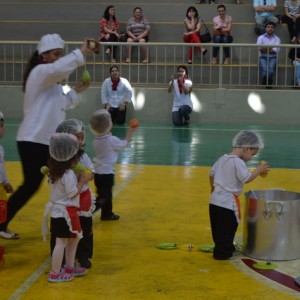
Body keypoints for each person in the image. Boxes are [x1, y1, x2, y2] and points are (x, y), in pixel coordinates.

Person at [0, 33, 94, 240]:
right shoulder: (40, 72)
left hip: (44, 142)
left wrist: (77, 90)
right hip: (33, 141)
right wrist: (81, 52)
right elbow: (57, 69)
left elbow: (62, 102)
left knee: (51, 181)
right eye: (55, 54)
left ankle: (70, 218)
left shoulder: (51, 82)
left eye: (60, 54)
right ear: (44, 55)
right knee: (34, 185)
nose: (58, 57)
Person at [209, 130, 269, 260]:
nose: (252, 158)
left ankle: (221, 248)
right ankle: (223, 253)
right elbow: (246, 178)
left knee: (218, 227)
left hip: (214, 200)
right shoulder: (238, 162)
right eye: (253, 154)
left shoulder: (222, 159)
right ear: (246, 148)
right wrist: (259, 170)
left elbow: (211, 174)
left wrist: (212, 188)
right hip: (228, 202)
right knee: (229, 226)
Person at [44, 133, 92, 282]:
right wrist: (82, 182)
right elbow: (72, 194)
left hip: (64, 212)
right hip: (64, 212)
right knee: (62, 242)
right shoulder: (69, 174)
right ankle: (55, 272)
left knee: (74, 239)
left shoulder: (54, 171)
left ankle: (69, 267)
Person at [55, 119, 95, 269]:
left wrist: (86, 174)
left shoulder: (83, 157)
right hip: (64, 201)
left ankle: (83, 256)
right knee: (63, 228)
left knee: (85, 228)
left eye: (81, 136)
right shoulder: (58, 159)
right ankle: (60, 255)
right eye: (75, 137)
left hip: (82, 197)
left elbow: (91, 172)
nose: (79, 140)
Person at [90, 109, 137, 220]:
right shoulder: (111, 140)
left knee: (104, 193)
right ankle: (91, 210)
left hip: (97, 172)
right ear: (108, 125)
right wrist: (130, 131)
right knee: (105, 196)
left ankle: (107, 214)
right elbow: (124, 144)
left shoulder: (96, 140)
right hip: (107, 173)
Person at [257, 22, 281, 88]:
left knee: (271, 70)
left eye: (272, 27)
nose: (270, 28)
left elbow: (276, 50)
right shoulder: (260, 37)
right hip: (262, 57)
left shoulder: (277, 38)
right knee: (264, 70)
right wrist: (270, 49)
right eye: (268, 27)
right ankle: (268, 82)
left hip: (273, 57)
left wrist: (266, 49)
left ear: (274, 29)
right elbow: (260, 49)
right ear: (265, 28)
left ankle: (267, 82)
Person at [0, 112, 14, 203]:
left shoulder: (0, 148)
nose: (3, 129)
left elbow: (1, 166)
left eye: (2, 126)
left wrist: (5, 182)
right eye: (0, 126)